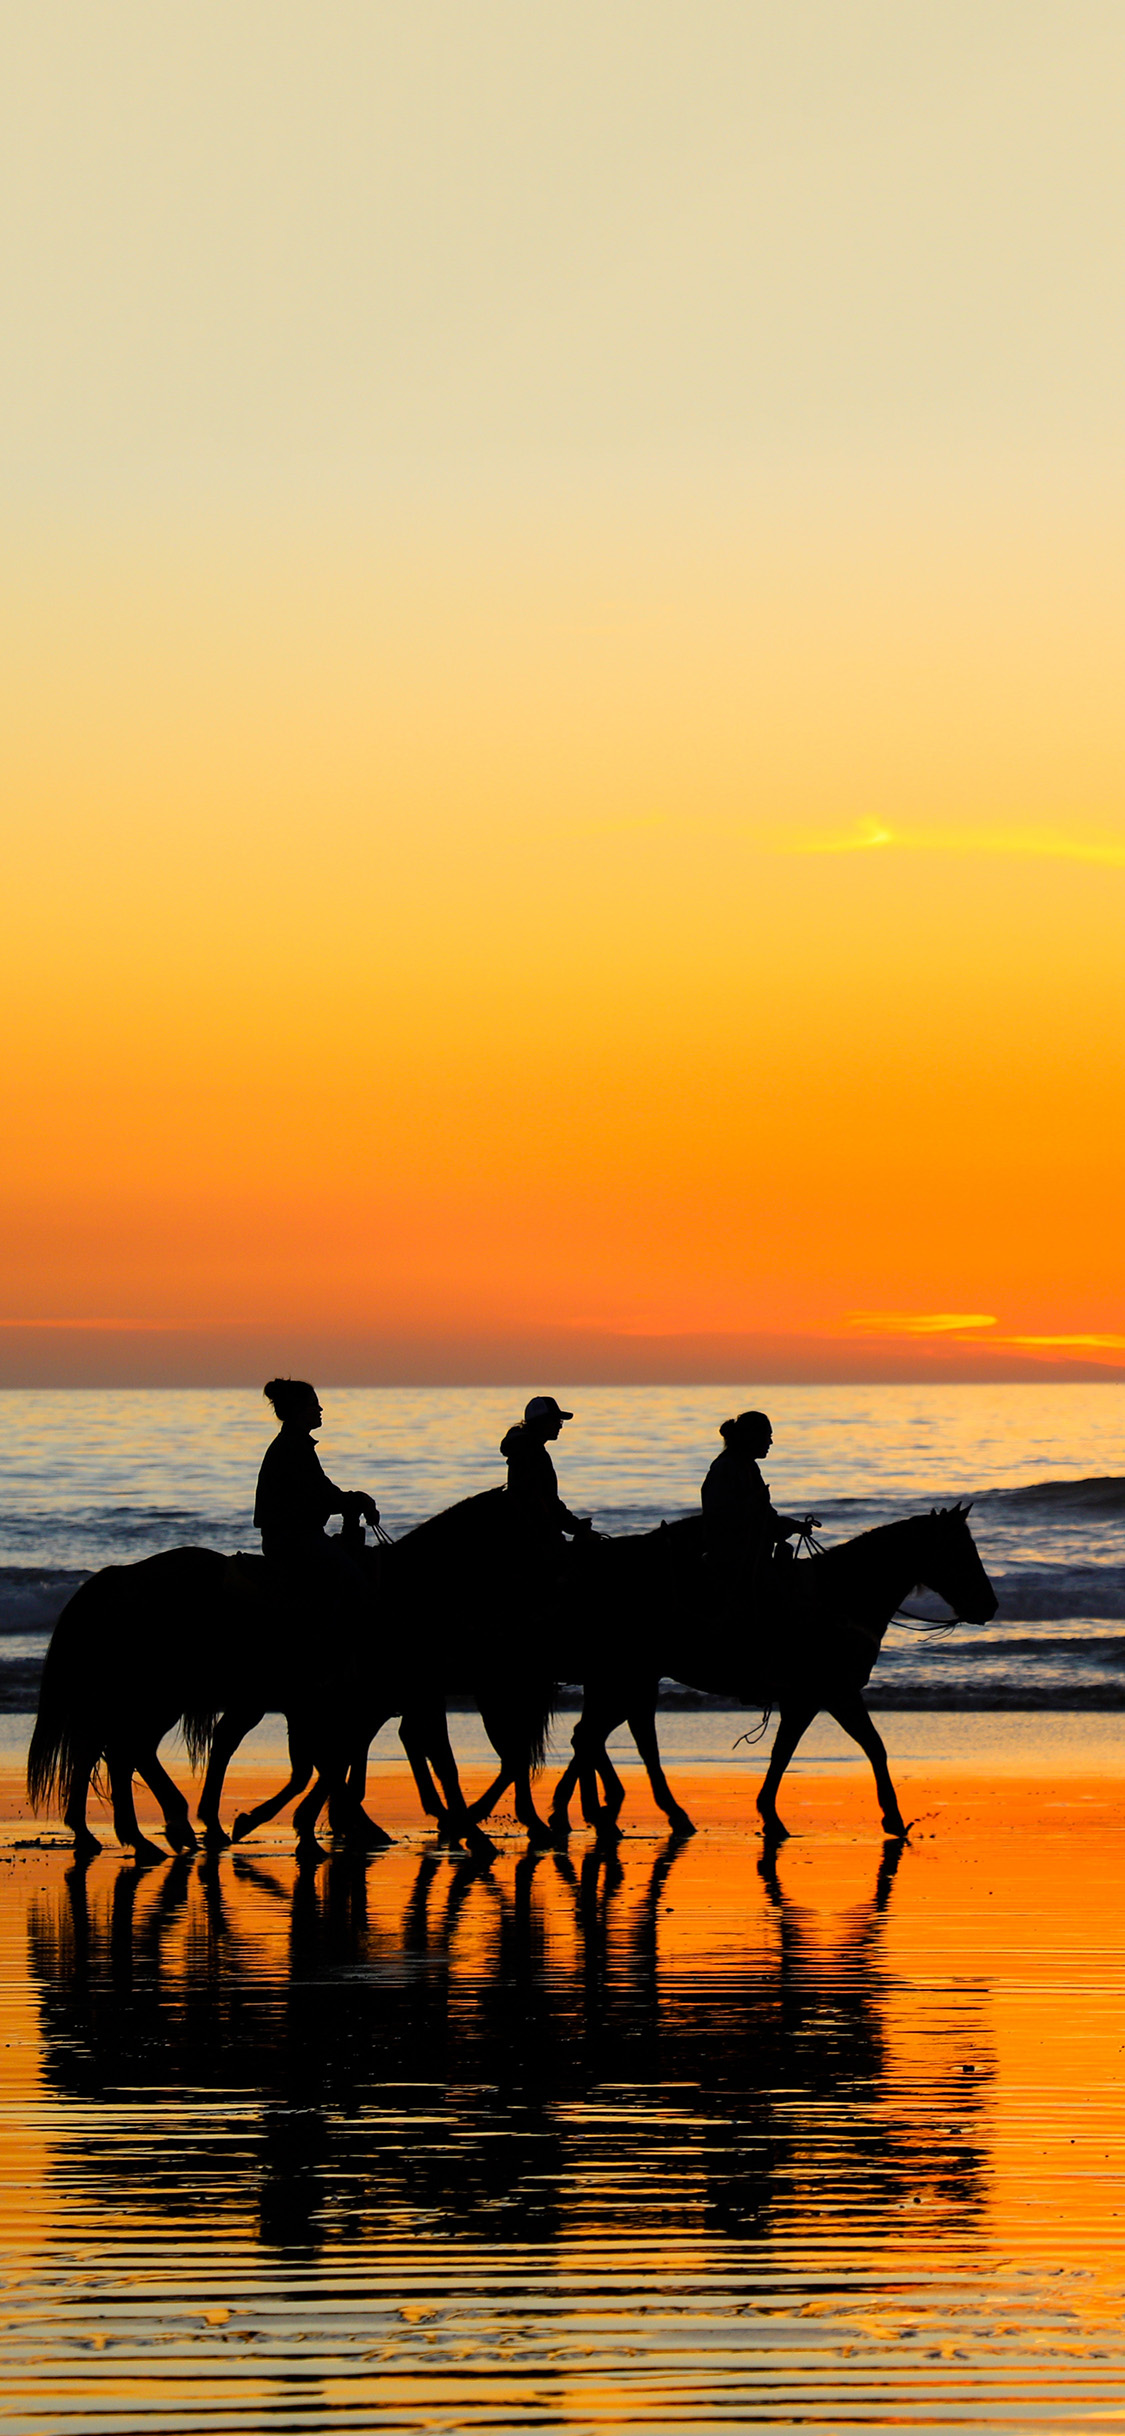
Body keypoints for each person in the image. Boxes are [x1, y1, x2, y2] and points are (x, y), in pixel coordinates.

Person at [254, 1379, 381, 1571]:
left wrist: (355, 1500)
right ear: (298, 1410)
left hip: (290, 1537)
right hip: (295, 1540)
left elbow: (323, 1491)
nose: (320, 1409)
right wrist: (360, 1500)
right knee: (352, 1576)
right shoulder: (293, 1448)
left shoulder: (293, 1443)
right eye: (314, 1404)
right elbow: (323, 1496)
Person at [700, 1410, 817, 1613]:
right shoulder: (729, 1469)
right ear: (752, 1437)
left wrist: (790, 1526)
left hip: (748, 1559)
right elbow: (738, 1519)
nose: (770, 1442)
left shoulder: (745, 1467)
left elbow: (761, 1516)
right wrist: (788, 1527)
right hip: (738, 1564)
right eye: (767, 1436)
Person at [500, 1395, 595, 1557]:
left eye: (560, 1421)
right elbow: (545, 1500)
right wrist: (576, 1527)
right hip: (535, 1535)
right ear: (541, 1422)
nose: (560, 1426)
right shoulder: (533, 1452)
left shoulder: (524, 1448)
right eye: (556, 1421)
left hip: (525, 1531)